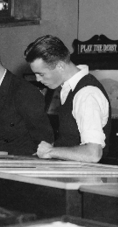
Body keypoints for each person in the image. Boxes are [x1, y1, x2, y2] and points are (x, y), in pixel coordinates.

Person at [24, 34, 111, 163]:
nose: (38, 79)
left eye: (41, 74)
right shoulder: (68, 88)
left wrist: (50, 151)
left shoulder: (86, 94)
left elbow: (93, 153)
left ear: (60, 66)